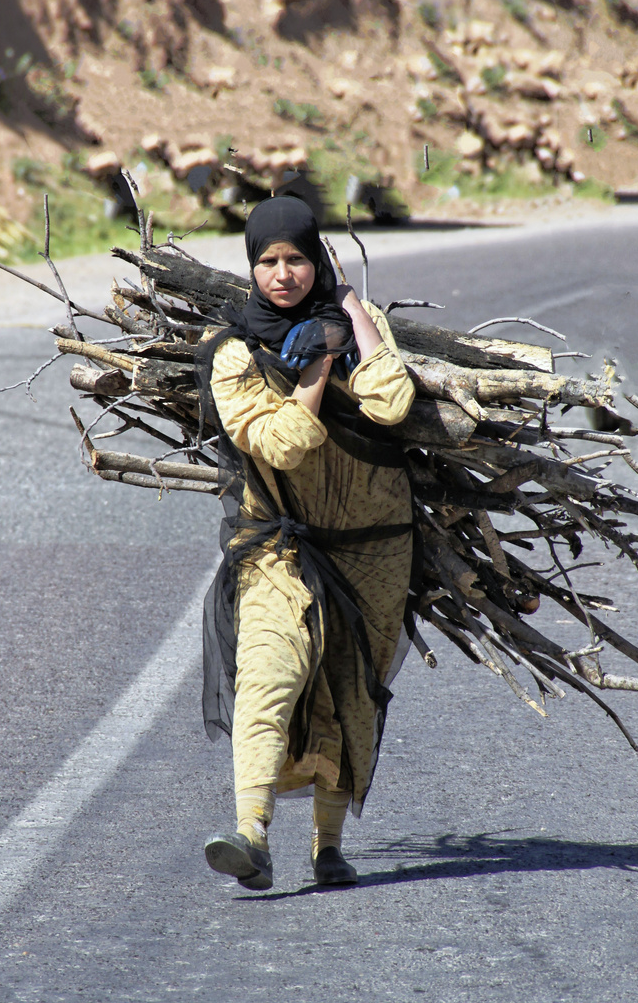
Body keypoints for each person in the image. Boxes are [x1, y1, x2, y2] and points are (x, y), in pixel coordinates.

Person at [197, 195, 416, 890]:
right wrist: (319, 369)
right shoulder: (232, 351)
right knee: (269, 672)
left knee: (353, 688)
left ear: (317, 259)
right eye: (268, 261)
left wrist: (349, 312)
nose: (284, 274)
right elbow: (280, 444)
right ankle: (250, 832)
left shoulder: (355, 324)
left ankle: (328, 845)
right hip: (279, 544)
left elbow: (392, 404)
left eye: (298, 259)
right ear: (251, 268)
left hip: (375, 547)